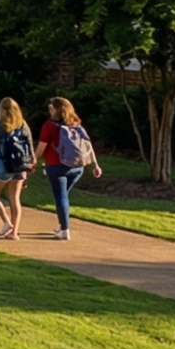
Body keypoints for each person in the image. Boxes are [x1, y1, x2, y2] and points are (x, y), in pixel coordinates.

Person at [38, 96, 103, 241]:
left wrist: (32, 162)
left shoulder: (49, 126)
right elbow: (88, 145)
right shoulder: (76, 125)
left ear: (55, 109)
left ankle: (65, 230)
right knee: (63, 196)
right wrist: (95, 165)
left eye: (51, 107)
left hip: (56, 167)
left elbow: (41, 149)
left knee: (61, 197)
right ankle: (62, 225)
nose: (49, 109)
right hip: (77, 168)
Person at [0, 98, 33, 240]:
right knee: (15, 198)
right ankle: (14, 232)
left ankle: (6, 222)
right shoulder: (22, 124)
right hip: (20, 165)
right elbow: (29, 144)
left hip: (2, 164)